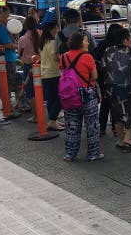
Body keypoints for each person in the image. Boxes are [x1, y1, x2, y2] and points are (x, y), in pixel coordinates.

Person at [60, 32, 102, 162]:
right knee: (92, 125)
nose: (88, 43)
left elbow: (63, 71)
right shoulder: (87, 57)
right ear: (79, 43)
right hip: (87, 94)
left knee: (72, 125)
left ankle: (70, 154)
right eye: (85, 40)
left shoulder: (64, 57)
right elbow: (95, 76)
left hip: (70, 94)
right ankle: (93, 154)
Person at [103, 28, 131, 152]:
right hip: (128, 88)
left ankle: (121, 140)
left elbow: (103, 66)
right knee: (130, 113)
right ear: (125, 40)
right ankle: (127, 139)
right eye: (130, 38)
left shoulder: (108, 50)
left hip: (111, 88)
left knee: (116, 114)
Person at [0, 3, 21, 115]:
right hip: (6, 59)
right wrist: (17, 46)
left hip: (0, 58)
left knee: (3, 82)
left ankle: (6, 106)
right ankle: (8, 108)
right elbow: (9, 44)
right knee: (7, 83)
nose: (3, 14)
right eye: (0, 13)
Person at [93, 23, 123, 135]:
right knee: (116, 103)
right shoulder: (117, 46)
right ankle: (116, 127)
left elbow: (96, 59)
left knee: (105, 102)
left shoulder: (101, 44)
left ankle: (102, 127)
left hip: (103, 78)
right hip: (115, 78)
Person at [39, 22, 63, 131]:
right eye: (56, 28)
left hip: (45, 73)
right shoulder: (53, 42)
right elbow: (56, 58)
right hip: (54, 73)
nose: (57, 31)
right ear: (51, 30)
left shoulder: (43, 42)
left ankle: (53, 120)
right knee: (59, 98)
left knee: (51, 99)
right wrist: (64, 57)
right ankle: (53, 121)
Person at [16, 16, 40, 121]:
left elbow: (19, 53)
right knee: (40, 90)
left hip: (28, 66)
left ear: (25, 26)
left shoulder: (22, 39)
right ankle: (42, 114)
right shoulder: (40, 36)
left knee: (31, 93)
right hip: (40, 65)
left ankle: (36, 116)